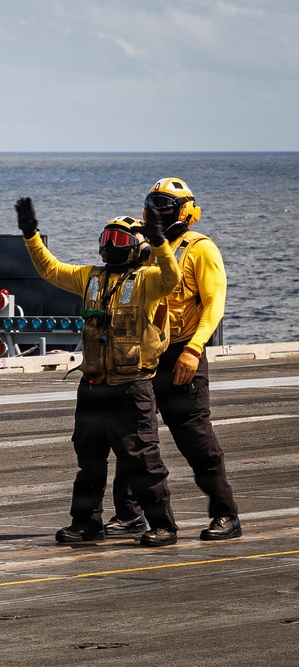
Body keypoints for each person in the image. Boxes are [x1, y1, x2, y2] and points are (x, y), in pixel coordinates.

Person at [15, 197, 181, 547]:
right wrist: (31, 235)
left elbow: (172, 277)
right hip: (92, 386)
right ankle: (86, 524)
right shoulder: (90, 277)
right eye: (106, 238)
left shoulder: (149, 280)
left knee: (143, 459)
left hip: (131, 387)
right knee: (89, 462)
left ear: (137, 248)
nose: (110, 245)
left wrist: (160, 242)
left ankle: (163, 525)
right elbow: (50, 269)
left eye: (119, 240)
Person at [104, 178, 241, 541]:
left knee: (195, 437)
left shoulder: (200, 249)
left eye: (165, 205)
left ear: (186, 210)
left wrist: (194, 350)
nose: (158, 212)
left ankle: (226, 514)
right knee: (134, 436)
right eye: (153, 204)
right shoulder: (146, 249)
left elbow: (214, 305)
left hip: (182, 354)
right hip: (145, 355)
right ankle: (129, 513)